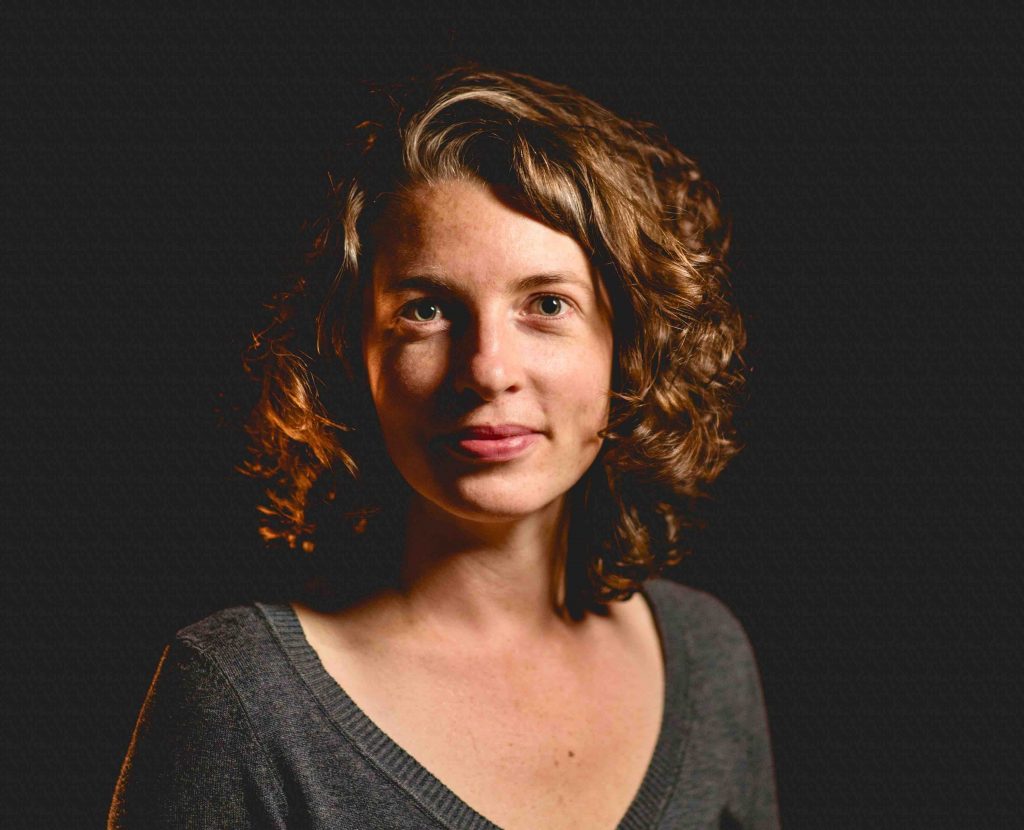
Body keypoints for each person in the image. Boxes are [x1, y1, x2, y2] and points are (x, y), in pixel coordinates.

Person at [108, 65, 779, 829]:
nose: (487, 369)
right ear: (352, 351)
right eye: (426, 310)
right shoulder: (241, 699)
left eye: (547, 304)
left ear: (627, 347)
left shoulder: (708, 656)